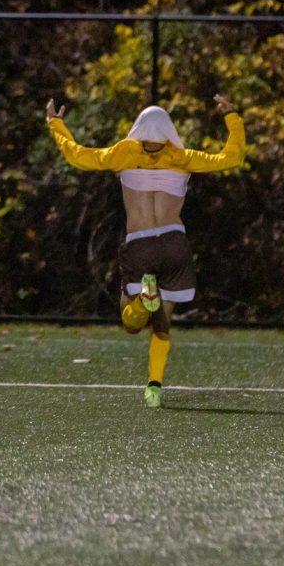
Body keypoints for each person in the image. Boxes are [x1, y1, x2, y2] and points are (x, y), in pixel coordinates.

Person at [46, 95, 246, 408]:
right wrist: (232, 116)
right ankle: (154, 385)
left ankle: (143, 302)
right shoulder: (182, 156)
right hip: (174, 243)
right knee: (163, 324)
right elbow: (230, 158)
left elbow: (78, 156)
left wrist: (55, 124)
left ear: (137, 129)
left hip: (140, 242)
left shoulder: (124, 153)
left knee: (131, 323)